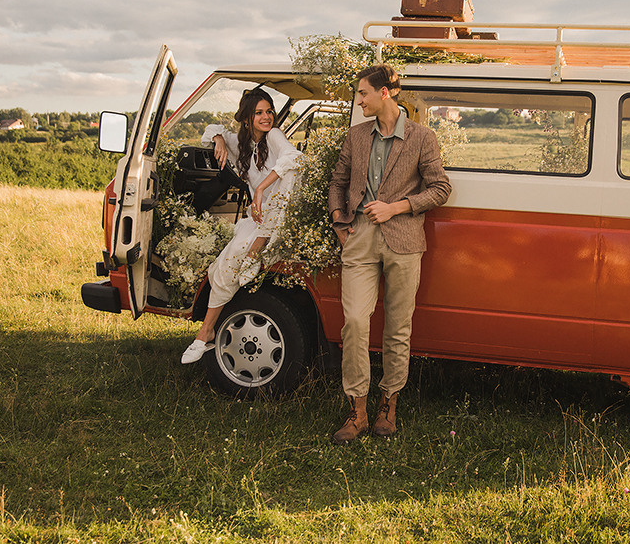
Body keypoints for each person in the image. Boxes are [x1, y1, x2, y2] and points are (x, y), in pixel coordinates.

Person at [327, 64, 452, 443]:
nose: (358, 100)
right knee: (355, 323)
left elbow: (441, 188)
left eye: (363, 93)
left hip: (403, 240)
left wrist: (395, 207)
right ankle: (357, 411)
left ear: (385, 93)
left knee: (398, 327)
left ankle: (388, 406)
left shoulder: (421, 137)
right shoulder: (355, 136)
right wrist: (338, 222)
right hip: (360, 239)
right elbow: (338, 181)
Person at [181, 86, 302, 364]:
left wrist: (259, 189)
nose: (266, 117)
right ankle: (205, 333)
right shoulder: (242, 143)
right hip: (258, 218)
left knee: (291, 171)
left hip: (282, 215)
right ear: (247, 118)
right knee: (224, 266)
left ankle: (258, 249)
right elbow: (210, 129)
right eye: (259, 112)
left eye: (269, 111)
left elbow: (292, 157)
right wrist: (219, 140)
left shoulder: (274, 136)